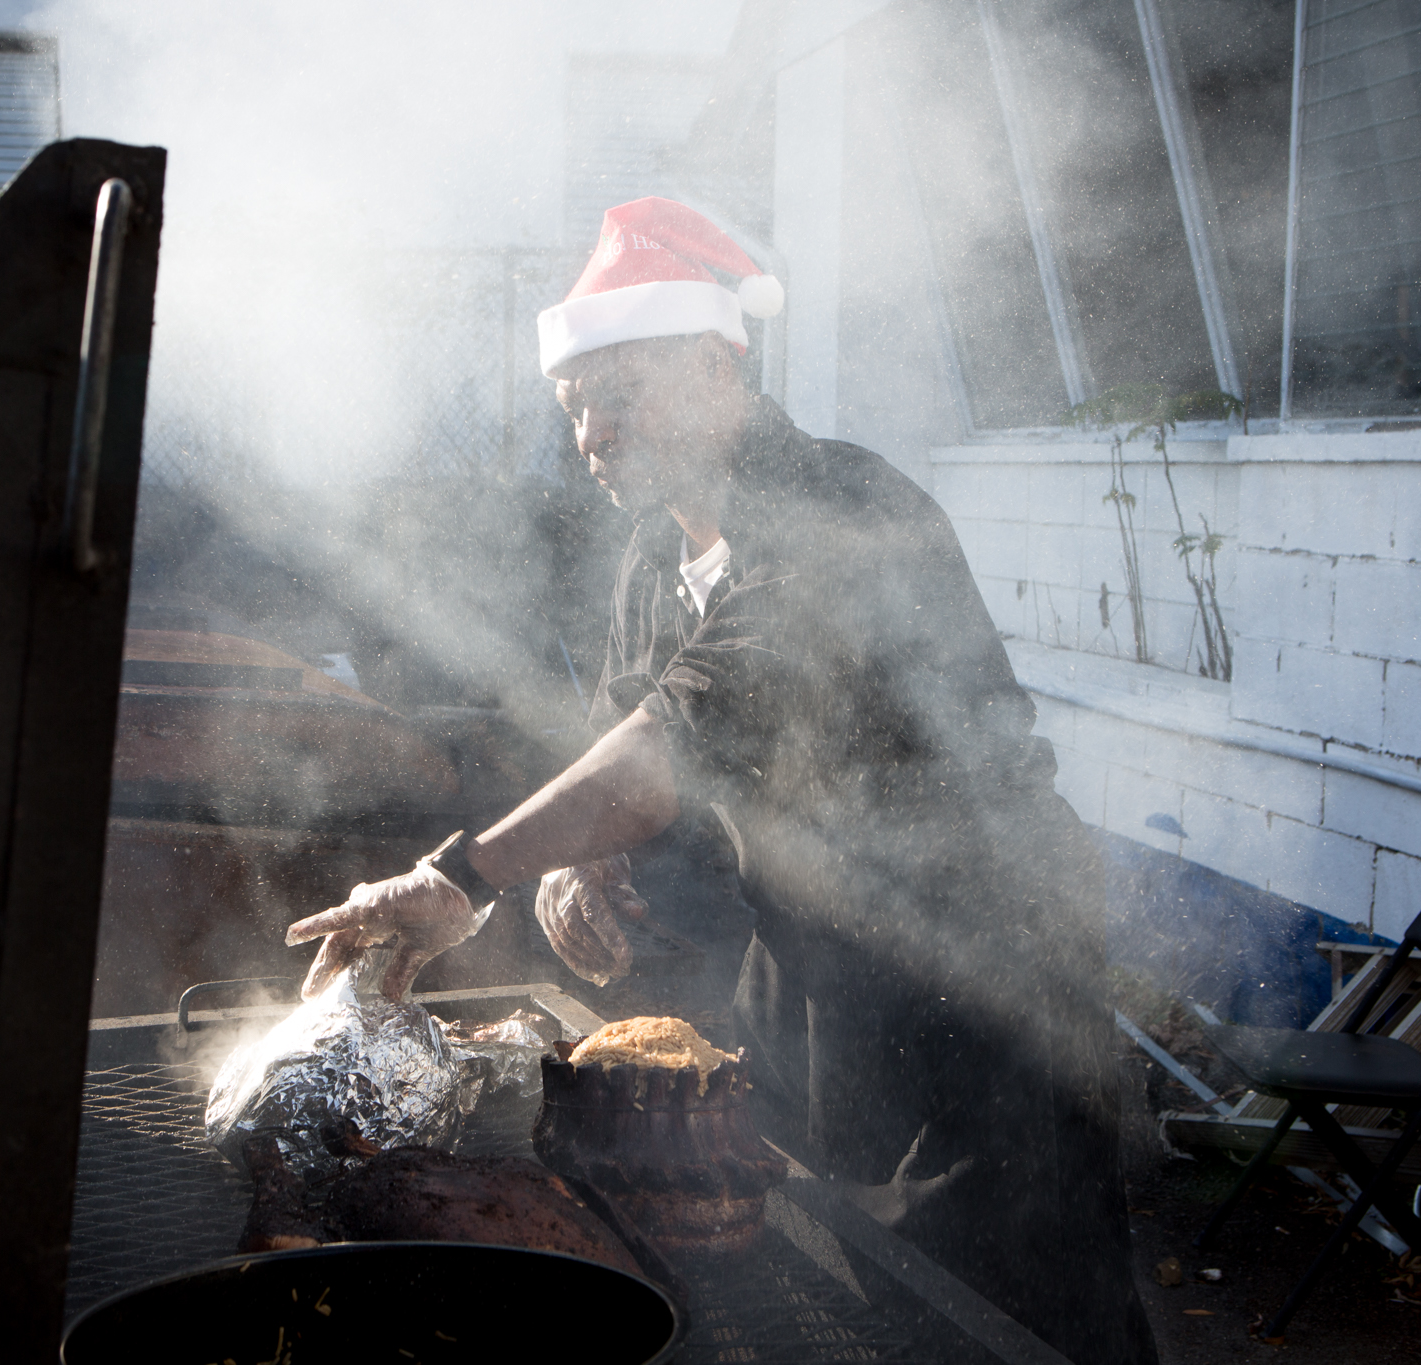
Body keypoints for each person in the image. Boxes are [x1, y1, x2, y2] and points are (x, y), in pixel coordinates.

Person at [287, 197, 1158, 1363]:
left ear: (713, 364)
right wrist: (579, 871)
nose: (589, 434)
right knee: (805, 1252)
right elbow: (618, 745)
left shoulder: (833, 511)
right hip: (808, 954)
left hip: (982, 965)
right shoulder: (654, 558)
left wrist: (466, 876)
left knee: (1007, 1306)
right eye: (573, 408)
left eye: (616, 395)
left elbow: (667, 750)